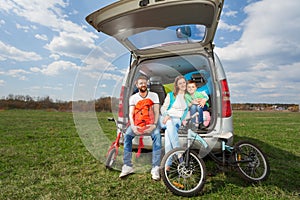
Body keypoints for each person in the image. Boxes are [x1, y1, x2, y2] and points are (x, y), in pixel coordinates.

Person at [119, 75, 162, 181]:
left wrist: (153, 125)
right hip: (137, 123)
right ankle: (127, 166)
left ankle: (155, 167)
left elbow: (156, 111)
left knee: (157, 136)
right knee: (127, 136)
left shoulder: (154, 95)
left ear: (147, 83)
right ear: (137, 85)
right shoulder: (133, 98)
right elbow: (131, 113)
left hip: (151, 123)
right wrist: (133, 127)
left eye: (145, 83)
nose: (143, 85)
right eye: (141, 83)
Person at [160, 76, 188, 159]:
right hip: (166, 118)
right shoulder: (170, 95)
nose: (182, 85)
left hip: (177, 120)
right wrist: (166, 115)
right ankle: (178, 152)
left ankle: (167, 164)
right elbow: (163, 108)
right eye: (180, 83)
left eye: (184, 82)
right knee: (169, 122)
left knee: (168, 135)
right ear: (177, 86)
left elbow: (203, 96)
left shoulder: (188, 96)